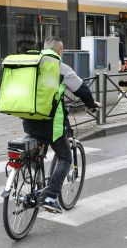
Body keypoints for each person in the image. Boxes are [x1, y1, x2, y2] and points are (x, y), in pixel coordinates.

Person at [22, 36, 101, 213]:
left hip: (29, 120)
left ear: (44, 48)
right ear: (60, 51)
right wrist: (91, 104)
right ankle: (50, 196)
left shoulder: (31, 62)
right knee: (65, 157)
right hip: (51, 124)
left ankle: (33, 183)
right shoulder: (61, 68)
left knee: (35, 153)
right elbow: (82, 90)